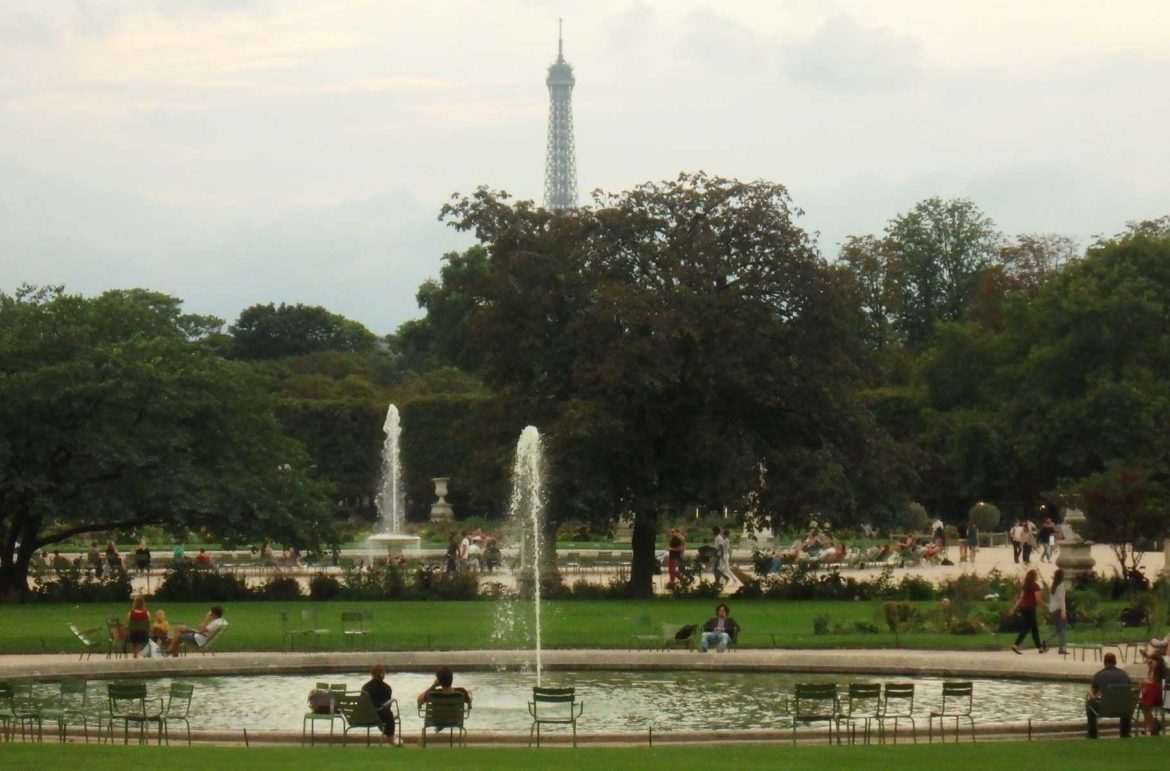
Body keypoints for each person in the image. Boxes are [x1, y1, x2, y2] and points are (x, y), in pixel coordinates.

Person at [1086, 652, 1133, 738]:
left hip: (1105, 708)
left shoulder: (1099, 675)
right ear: (1115, 662)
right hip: (1124, 708)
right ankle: (1125, 733)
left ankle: (1092, 734)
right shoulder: (1124, 674)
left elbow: (1095, 694)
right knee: (1123, 700)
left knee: (1090, 703)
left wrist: (1089, 694)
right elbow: (1128, 690)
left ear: (1104, 662)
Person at [361, 664, 398, 745]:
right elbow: (387, 706)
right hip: (379, 717)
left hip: (366, 716)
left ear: (372, 674)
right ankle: (391, 737)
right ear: (383, 674)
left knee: (381, 713)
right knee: (388, 714)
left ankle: (390, 736)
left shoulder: (365, 688)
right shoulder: (386, 688)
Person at [1011, 569, 1046, 654]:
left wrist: (1013, 609)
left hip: (1023, 608)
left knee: (1034, 627)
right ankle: (1016, 645)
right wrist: (1046, 606)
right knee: (1028, 628)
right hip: (1030, 608)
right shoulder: (1035, 586)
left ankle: (1040, 647)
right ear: (1035, 577)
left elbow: (1020, 598)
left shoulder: (1026, 586)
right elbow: (1038, 599)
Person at [1043, 568, 1068, 655]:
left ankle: (1045, 641)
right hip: (1059, 609)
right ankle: (1062, 648)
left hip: (1053, 610)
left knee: (1058, 629)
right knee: (1063, 629)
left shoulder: (1053, 586)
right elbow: (1061, 600)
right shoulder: (1061, 586)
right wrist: (1063, 611)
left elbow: (1052, 599)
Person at [1139, 653, 1166, 735]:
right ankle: (1153, 725)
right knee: (1144, 705)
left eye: (1151, 663)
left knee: (1144, 705)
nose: (1149, 666)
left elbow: (1157, 685)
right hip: (1160, 697)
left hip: (1164, 698)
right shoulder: (1153, 672)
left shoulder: (1164, 673)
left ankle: (1153, 725)